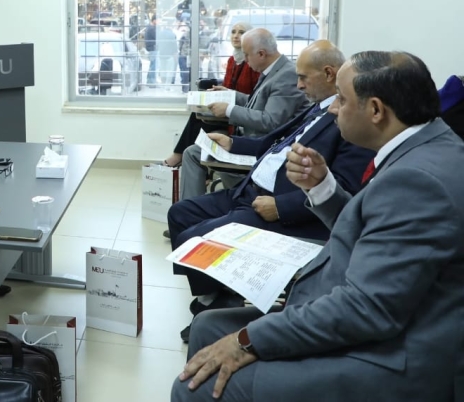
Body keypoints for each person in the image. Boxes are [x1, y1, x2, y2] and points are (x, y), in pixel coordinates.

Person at [172, 51, 464, 402]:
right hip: (357, 307)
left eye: (342, 99)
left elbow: (366, 310)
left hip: (391, 358)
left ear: (375, 110)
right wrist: (322, 187)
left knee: (194, 387)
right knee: (208, 325)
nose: (333, 108)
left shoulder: (417, 181)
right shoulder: (424, 146)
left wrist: (247, 340)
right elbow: (369, 228)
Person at [167, 41, 373, 341]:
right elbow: (275, 143)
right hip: (250, 191)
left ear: (330, 74)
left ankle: (216, 304)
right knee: (180, 214)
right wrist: (233, 143)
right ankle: (218, 294)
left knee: (196, 238)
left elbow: (342, 192)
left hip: (279, 209)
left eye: (303, 78)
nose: (298, 85)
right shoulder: (319, 108)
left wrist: (281, 207)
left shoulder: (353, 126)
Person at [178, 28, 308, 199]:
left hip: (263, 146)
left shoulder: (286, 75)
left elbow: (270, 121)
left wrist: (228, 110)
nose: (245, 60)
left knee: (193, 154)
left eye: (247, 55)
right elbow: (259, 102)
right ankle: (201, 206)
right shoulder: (273, 70)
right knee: (194, 151)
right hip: (252, 139)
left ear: (261, 54)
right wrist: (231, 95)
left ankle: (196, 210)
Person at [163, 22, 259, 168]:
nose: (236, 36)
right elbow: (228, 86)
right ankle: (182, 158)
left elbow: (255, 96)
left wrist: (229, 95)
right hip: (227, 108)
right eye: (233, 32)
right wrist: (218, 91)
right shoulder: (232, 60)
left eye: (241, 32)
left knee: (199, 119)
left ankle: (178, 156)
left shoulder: (253, 63)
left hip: (240, 113)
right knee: (198, 112)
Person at [144, 15, 158, 85]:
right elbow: (158, 37)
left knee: (152, 65)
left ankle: (149, 81)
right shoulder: (151, 28)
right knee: (153, 66)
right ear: (154, 20)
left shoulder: (150, 27)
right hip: (153, 48)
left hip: (151, 48)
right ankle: (152, 82)